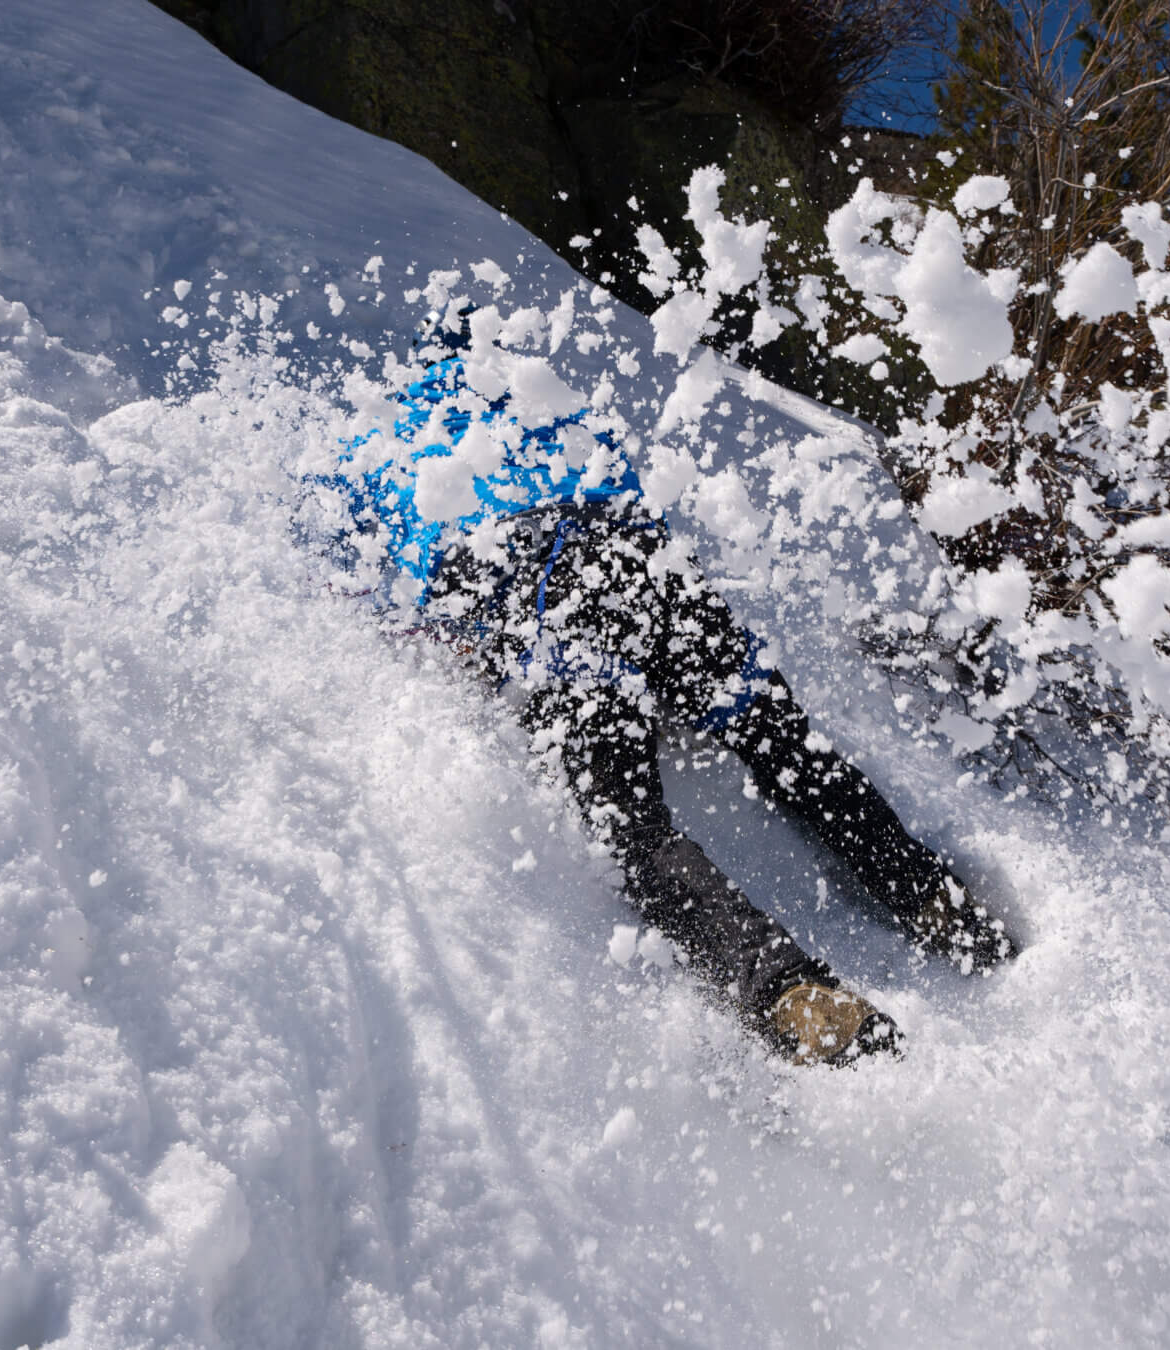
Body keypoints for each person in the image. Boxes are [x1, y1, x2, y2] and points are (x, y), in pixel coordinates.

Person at [325, 315, 1013, 1066]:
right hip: (651, 570)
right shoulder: (545, 395)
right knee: (785, 745)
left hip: (549, 596)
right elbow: (628, 491)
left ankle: (787, 990)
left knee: (632, 829)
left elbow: (363, 572)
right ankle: (937, 904)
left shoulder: (377, 435)